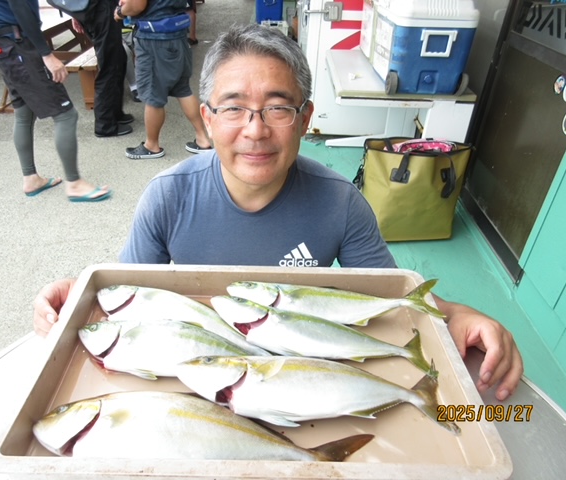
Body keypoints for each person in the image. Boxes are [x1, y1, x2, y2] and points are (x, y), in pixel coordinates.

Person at [33, 24, 523, 401]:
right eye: (233, 108)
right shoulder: (167, 197)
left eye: (278, 108)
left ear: (305, 119)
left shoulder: (341, 203)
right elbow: (129, 297)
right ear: (207, 118)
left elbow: (390, 300)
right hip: (197, 382)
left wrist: (456, 314)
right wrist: (79, 295)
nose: (255, 130)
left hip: (301, 382)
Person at [0, 0, 111, 201]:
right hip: (18, 44)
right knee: (66, 115)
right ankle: (74, 184)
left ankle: (30, 178)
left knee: (24, 112)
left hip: (3, 44)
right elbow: (20, 7)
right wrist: (47, 54)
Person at [114, 0, 212, 159]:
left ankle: (151, 145)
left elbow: (137, 5)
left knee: (153, 95)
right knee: (183, 89)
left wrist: (120, 12)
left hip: (154, 40)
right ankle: (203, 139)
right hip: (178, 34)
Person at [69, 0, 134, 137]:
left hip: (99, 9)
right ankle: (105, 124)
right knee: (109, 66)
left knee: (118, 59)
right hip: (99, 11)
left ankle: (114, 114)